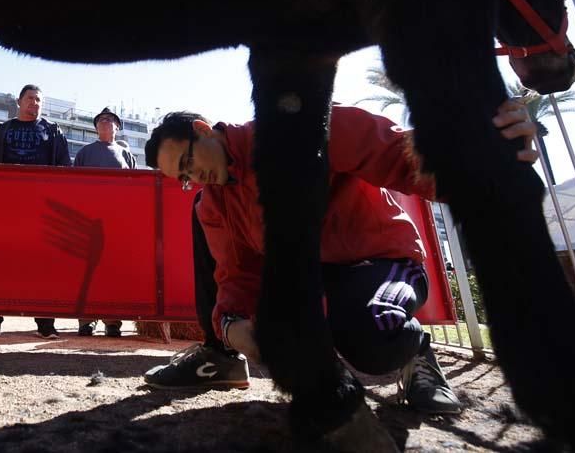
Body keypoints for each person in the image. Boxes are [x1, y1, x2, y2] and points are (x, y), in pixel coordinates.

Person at [141, 100, 538, 415]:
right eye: (185, 178)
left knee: (372, 337)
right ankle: (223, 359)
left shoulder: (299, 128)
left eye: (188, 162)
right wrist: (233, 327)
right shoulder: (213, 204)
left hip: (381, 261)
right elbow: (236, 274)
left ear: (202, 130)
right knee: (286, 334)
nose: (195, 177)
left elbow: (400, 154)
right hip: (318, 283)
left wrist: (485, 154)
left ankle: (416, 352)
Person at [0, 84, 72, 340]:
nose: (34, 103)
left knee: (43, 264)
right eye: (30, 98)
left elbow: (64, 168)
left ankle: (46, 323)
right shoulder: (3, 130)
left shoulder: (52, 130)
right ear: (19, 101)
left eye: (38, 100)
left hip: (43, 207)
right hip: (7, 205)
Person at [73, 107, 135, 338]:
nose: (105, 122)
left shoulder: (126, 154)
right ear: (96, 127)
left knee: (113, 270)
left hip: (116, 220)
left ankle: (112, 321)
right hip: (89, 219)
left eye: (110, 120)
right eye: (101, 120)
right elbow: (75, 185)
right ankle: (86, 320)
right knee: (87, 270)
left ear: (117, 126)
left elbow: (133, 187)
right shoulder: (84, 153)